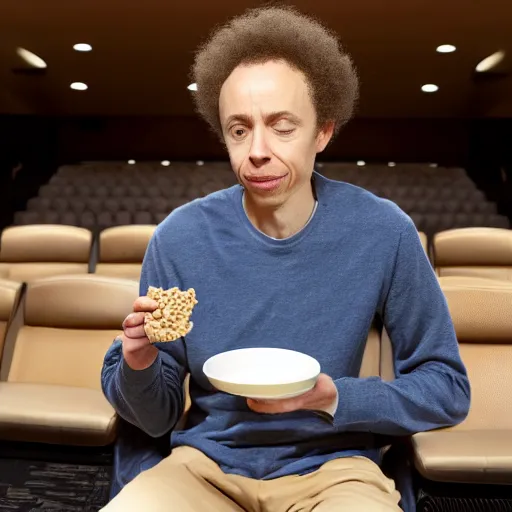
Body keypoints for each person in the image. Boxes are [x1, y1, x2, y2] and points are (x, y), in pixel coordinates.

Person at [101, 6, 470, 511]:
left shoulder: (384, 232)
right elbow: (158, 417)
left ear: (323, 132)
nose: (256, 150)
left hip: (337, 471)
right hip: (204, 468)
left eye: (282, 126)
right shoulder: (179, 237)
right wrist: (138, 362)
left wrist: (333, 397)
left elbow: (446, 388)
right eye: (238, 129)